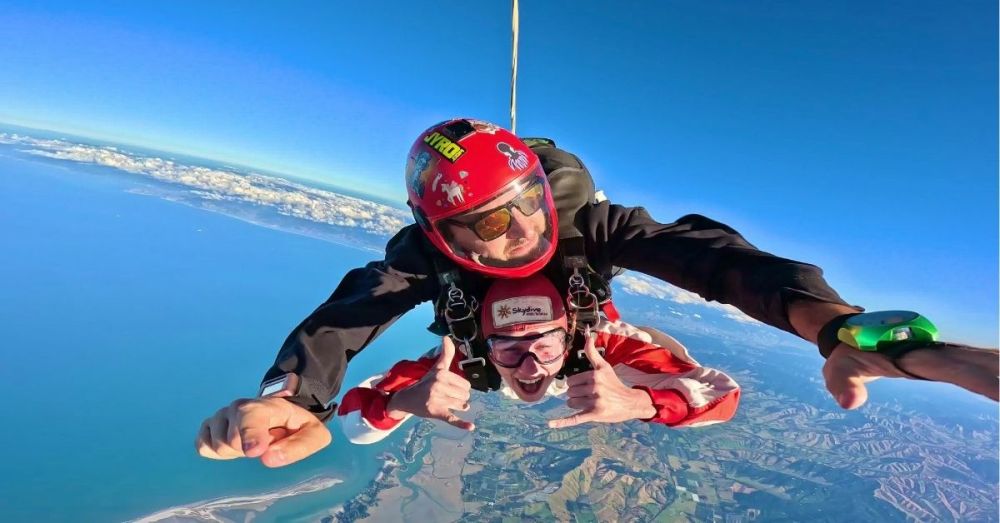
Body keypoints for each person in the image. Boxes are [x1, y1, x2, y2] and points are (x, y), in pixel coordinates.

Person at [195, 118, 998, 468]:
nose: (503, 242)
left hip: (595, 349)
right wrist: (295, 399)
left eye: (515, 216)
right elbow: (350, 312)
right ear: (443, 239)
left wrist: (836, 328)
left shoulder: (597, 289)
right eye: (476, 232)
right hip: (473, 361)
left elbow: (713, 261)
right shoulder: (458, 342)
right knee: (416, 390)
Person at [337, 274, 740, 444]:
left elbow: (723, 394)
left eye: (544, 347)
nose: (530, 368)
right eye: (510, 348)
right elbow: (354, 423)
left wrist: (639, 402)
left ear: (569, 338)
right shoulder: (463, 356)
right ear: (484, 342)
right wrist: (402, 401)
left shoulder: (601, 343)